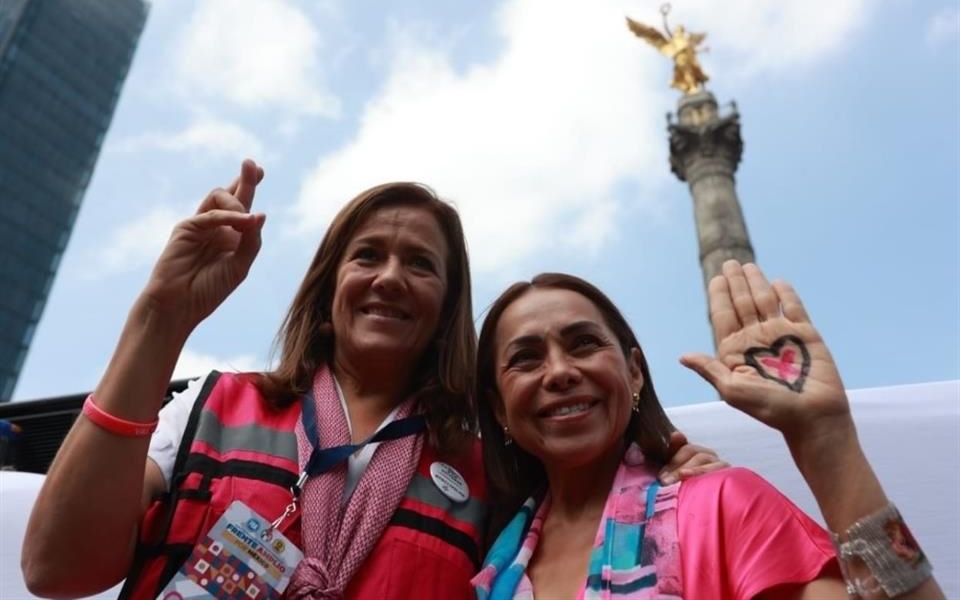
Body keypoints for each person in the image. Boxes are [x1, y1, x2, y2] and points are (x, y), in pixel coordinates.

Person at [21, 161, 721, 599]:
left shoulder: (497, 475)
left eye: (420, 264)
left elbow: (597, 532)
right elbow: (57, 569)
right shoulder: (210, 409)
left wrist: (676, 485)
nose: (389, 277)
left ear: (447, 307)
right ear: (331, 286)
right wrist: (161, 317)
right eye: (368, 256)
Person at [472, 262, 943, 599]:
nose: (559, 371)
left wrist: (825, 437)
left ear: (634, 373)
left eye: (584, 343)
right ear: (498, 408)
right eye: (526, 358)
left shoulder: (720, 505)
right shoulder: (485, 566)